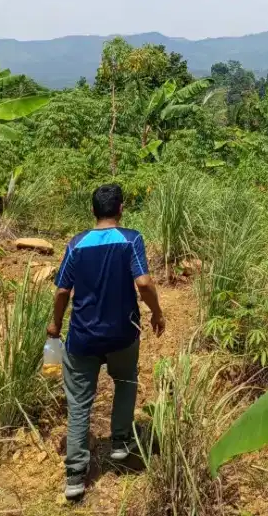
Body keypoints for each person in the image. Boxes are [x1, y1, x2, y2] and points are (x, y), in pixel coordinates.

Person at [47, 183, 166, 501]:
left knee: (78, 403)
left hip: (83, 337)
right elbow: (143, 282)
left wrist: (55, 324)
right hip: (122, 334)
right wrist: (157, 313)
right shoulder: (131, 239)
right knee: (126, 382)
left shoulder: (76, 244)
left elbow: (61, 291)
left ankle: (74, 476)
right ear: (121, 209)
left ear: (93, 211)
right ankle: (120, 443)